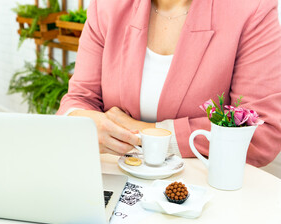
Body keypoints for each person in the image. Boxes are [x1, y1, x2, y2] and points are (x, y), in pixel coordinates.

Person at [57, 0, 281, 167]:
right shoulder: (107, 6)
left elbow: (262, 134)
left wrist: (146, 133)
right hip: (114, 182)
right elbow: (78, 100)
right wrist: (81, 121)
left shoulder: (251, 9)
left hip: (204, 193)